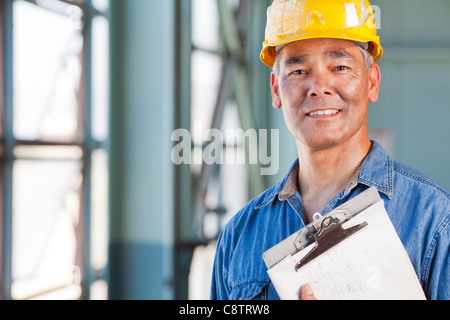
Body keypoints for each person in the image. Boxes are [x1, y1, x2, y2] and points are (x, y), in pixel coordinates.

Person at [210, 0, 449, 300]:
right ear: (275, 89)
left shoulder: (434, 221)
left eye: (340, 67)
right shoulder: (239, 237)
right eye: (298, 70)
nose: (318, 86)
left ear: (372, 82)